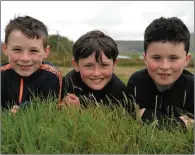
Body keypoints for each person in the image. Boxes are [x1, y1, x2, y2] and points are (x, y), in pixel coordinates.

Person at [127, 17, 194, 128]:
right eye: (157, 58)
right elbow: (130, 116)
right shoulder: (136, 82)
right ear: (145, 59)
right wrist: (184, 124)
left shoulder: (192, 87)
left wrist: (148, 115)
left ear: (186, 60)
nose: (164, 66)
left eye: (173, 58)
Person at [1, 15, 62, 113]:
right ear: (5, 49)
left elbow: (50, 109)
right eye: (17, 49)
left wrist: (25, 109)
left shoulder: (52, 76)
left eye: (33, 50)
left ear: (46, 52)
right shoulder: (1, 74)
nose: (25, 58)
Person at [60, 30, 131, 112]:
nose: (96, 73)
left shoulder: (120, 92)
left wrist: (79, 113)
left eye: (104, 65)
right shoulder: (67, 83)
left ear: (114, 64)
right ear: (76, 65)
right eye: (88, 66)